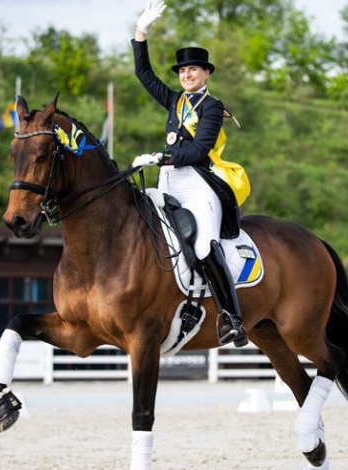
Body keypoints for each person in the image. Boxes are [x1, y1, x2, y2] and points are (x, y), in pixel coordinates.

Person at [131, 0, 248, 347]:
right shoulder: (175, 101)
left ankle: (232, 318)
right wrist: (141, 32)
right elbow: (144, 74)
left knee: (202, 246)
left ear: (206, 74)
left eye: (193, 70)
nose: (187, 75)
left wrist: (161, 157)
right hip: (168, 182)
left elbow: (199, 150)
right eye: (183, 72)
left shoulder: (212, 106)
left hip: (199, 183)